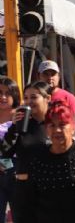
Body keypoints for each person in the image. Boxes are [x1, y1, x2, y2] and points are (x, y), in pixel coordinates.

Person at [0, 81, 52, 222]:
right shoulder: (22, 124)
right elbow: (5, 152)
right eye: (26, 97)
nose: (29, 101)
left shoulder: (56, 124)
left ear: (48, 98)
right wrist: (14, 129)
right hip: (24, 192)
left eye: (34, 97)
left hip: (51, 190)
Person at [0, 77, 20, 223]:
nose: (3, 97)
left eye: (7, 93)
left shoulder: (21, 116)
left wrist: (3, 164)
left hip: (16, 170)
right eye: (0, 92)